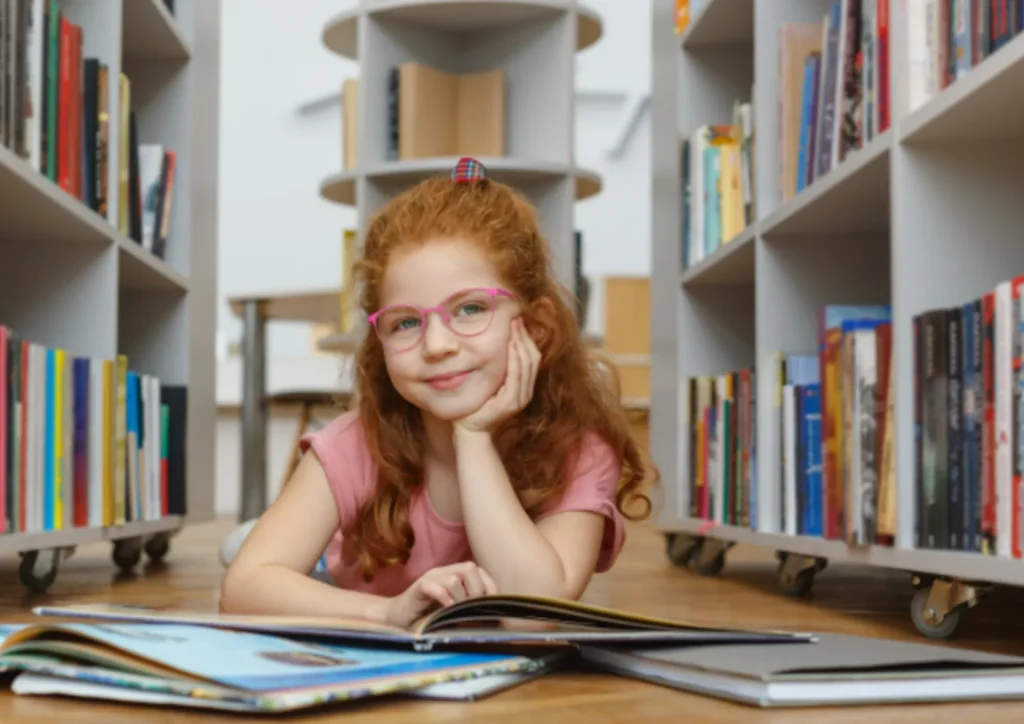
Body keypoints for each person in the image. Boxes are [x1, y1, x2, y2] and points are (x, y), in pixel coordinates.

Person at [219, 157, 658, 629]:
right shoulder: (354, 444)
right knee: (249, 553)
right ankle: (266, 538)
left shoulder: (580, 448)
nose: (436, 346)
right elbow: (244, 588)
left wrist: (473, 435)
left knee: (261, 548)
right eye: (405, 322)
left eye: (469, 309)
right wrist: (385, 611)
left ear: (536, 327)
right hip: (339, 584)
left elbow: (531, 615)